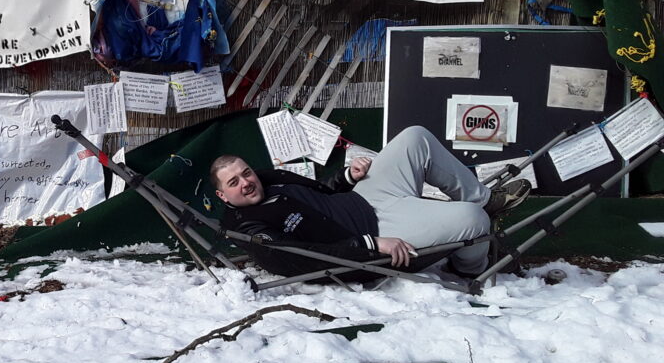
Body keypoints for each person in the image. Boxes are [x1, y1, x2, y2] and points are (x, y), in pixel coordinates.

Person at [211, 125, 532, 278]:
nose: (247, 182)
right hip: (376, 232)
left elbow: (320, 192)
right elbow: (304, 258)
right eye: (234, 182)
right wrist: (370, 244)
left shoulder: (268, 179)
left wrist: (346, 177)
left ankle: (487, 198)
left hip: (362, 196)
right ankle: (471, 267)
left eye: (246, 172)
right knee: (473, 219)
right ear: (223, 195)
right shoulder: (249, 228)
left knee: (415, 137)